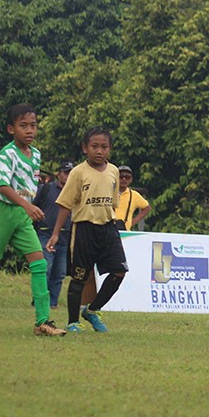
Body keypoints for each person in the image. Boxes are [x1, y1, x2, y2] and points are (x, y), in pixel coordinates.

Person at [0, 104, 66, 336]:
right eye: (23, 126)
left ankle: (42, 322)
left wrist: (30, 205)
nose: (30, 130)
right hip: (2, 214)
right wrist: (27, 205)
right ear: (11, 129)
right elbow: (1, 185)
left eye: (33, 125)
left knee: (39, 263)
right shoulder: (7, 153)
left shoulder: (36, 154)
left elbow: (28, 186)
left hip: (21, 216)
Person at [47, 127, 128, 334]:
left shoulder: (114, 172)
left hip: (108, 228)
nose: (99, 151)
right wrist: (56, 233)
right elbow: (65, 204)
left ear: (109, 149)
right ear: (85, 148)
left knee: (119, 271)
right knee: (80, 277)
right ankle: (73, 321)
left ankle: (93, 310)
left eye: (104, 147)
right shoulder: (78, 173)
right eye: (94, 147)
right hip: (84, 229)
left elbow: (113, 203)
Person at [32, 161, 73, 308]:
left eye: (71, 173)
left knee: (60, 272)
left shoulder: (75, 191)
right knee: (45, 268)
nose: (69, 176)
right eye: (66, 173)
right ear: (59, 174)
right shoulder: (47, 188)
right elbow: (33, 205)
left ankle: (52, 302)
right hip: (45, 232)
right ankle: (39, 300)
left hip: (65, 235)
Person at [113, 165, 151, 231]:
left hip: (125, 232)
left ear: (131, 179)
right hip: (107, 231)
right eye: (121, 177)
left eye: (127, 177)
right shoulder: (108, 192)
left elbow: (147, 208)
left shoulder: (134, 195)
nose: (124, 179)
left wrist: (134, 221)